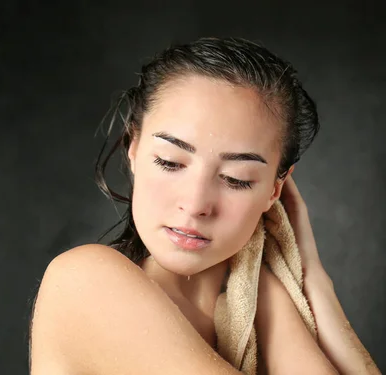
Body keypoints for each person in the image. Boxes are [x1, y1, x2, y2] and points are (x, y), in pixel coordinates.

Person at [28, 37, 380, 374]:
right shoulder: (85, 281)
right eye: (170, 161)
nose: (195, 205)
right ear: (133, 148)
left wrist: (316, 284)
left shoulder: (263, 300)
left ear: (276, 189)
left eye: (236, 178)